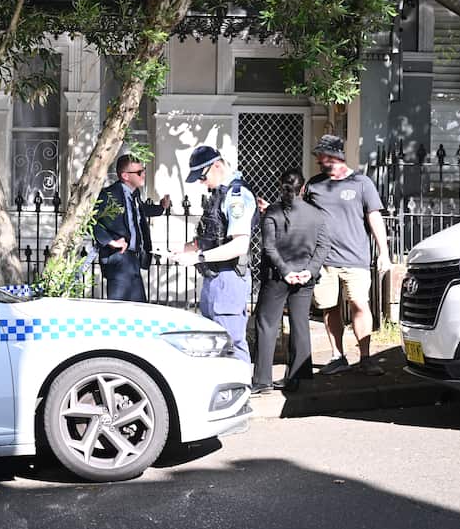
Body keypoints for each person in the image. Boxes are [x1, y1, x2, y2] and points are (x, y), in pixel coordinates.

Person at [304, 134, 393, 376]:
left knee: (359, 304)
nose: (319, 160)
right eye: (319, 156)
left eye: (323, 155)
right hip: (323, 260)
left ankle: (365, 357)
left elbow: (374, 218)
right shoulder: (314, 185)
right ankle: (337, 356)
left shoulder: (362, 183)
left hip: (356, 258)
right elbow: (302, 215)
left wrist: (383, 253)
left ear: (336, 156)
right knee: (328, 307)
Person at [170, 146, 258, 363]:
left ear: (217, 166)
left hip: (229, 278)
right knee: (214, 343)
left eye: (202, 176)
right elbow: (212, 237)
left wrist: (198, 257)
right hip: (215, 277)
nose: (201, 182)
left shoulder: (236, 196)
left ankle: (240, 393)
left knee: (231, 343)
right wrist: (185, 248)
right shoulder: (220, 195)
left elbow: (239, 245)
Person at [252, 169, 329, 394]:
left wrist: (285, 271)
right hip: (305, 276)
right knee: (300, 324)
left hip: (276, 276)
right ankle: (297, 378)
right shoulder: (317, 214)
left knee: (267, 324)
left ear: (280, 185)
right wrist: (310, 270)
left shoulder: (272, 213)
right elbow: (323, 246)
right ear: (303, 188)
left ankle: (262, 380)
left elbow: (269, 247)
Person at [90, 154, 172, 302]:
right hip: (118, 257)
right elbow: (91, 221)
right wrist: (111, 241)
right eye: (139, 172)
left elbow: (140, 211)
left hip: (134, 258)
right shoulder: (109, 195)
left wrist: (160, 208)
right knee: (121, 308)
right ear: (125, 176)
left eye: (144, 170)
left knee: (139, 307)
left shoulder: (134, 195)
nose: (143, 174)